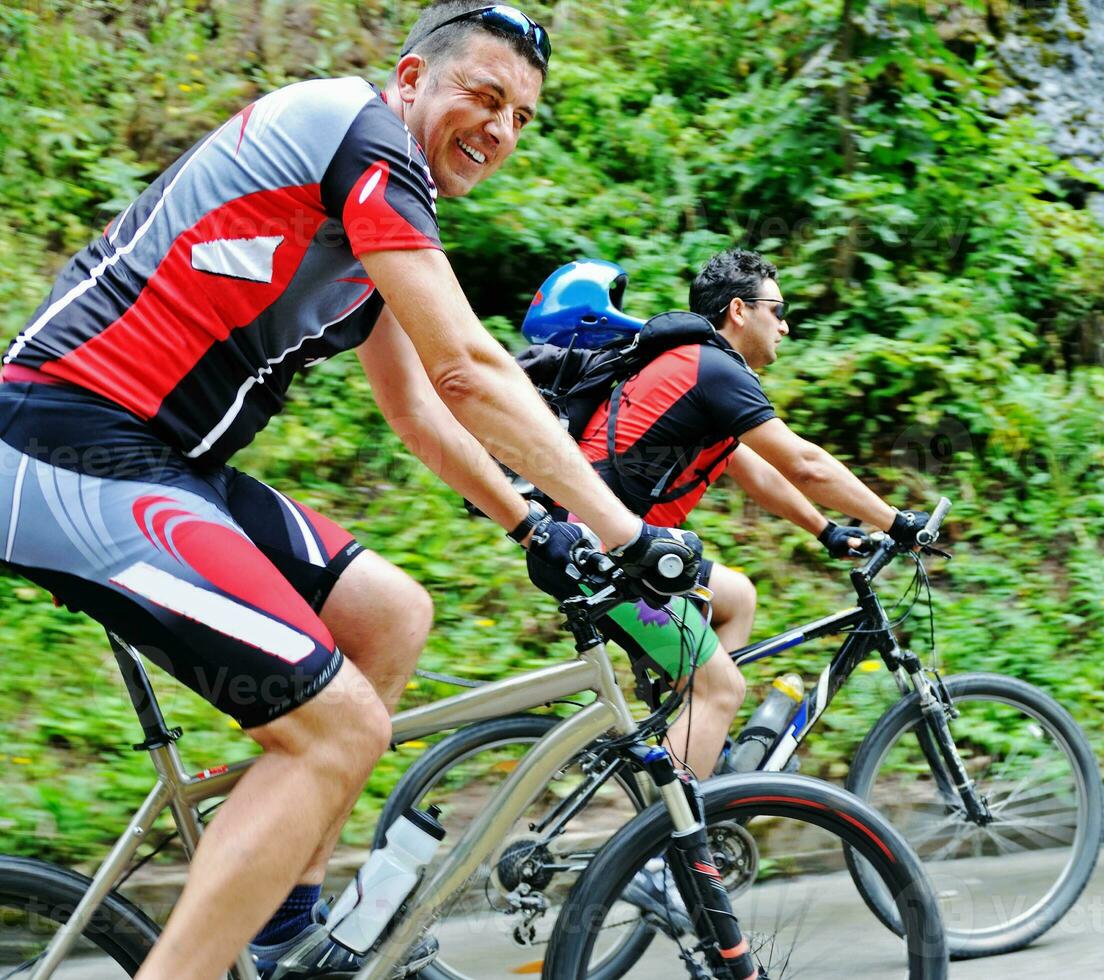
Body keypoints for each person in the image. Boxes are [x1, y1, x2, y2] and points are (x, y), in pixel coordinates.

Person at [0, 4, 699, 978]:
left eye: (522, 117)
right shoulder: (363, 137)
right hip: (63, 445)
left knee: (390, 612)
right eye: (484, 95)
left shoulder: (372, 206)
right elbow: (467, 368)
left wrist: (538, 527)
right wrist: (628, 531)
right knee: (339, 728)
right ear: (411, 79)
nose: (500, 129)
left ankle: (288, 934)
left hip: (158, 461)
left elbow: (420, 411)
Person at [525, 247, 933, 784]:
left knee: (736, 597)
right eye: (778, 310)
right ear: (740, 310)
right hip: (602, 556)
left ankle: (690, 743)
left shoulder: (694, 369)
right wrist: (895, 520)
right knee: (722, 687)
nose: (785, 326)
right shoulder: (711, 367)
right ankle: (667, 850)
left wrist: (828, 531)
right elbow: (806, 464)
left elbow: (754, 469)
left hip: (603, 546)